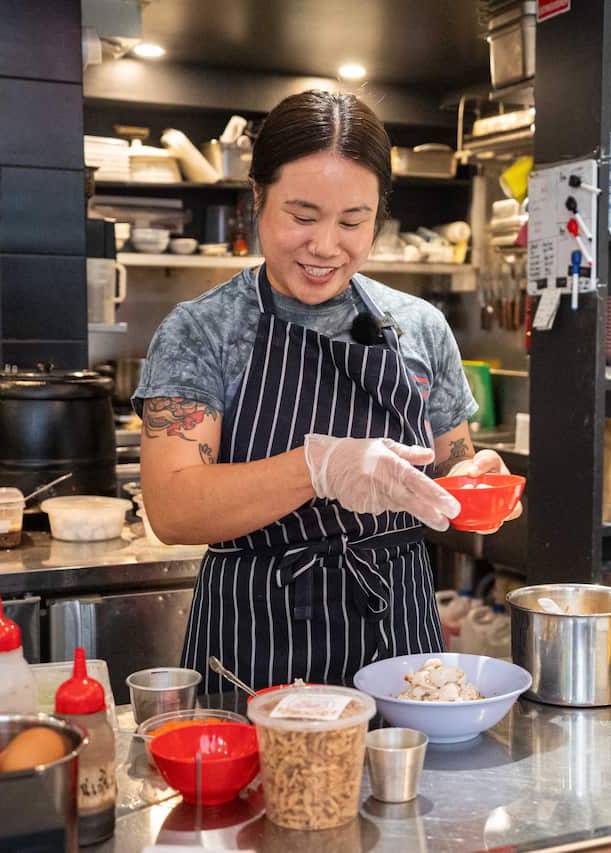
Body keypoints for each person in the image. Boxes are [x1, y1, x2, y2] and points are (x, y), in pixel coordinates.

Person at [134, 89, 521, 692]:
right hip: (256, 642)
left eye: (352, 222)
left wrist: (473, 483)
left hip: (401, 644)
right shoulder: (202, 330)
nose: (324, 247)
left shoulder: (419, 326)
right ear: (257, 198)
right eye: (302, 216)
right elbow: (173, 509)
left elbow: (452, 463)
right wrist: (318, 467)